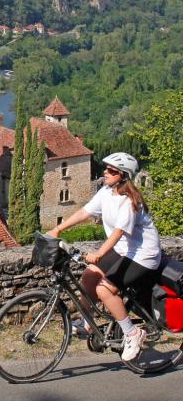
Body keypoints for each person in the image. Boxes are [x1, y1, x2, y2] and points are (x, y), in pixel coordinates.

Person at [47, 152, 161, 362]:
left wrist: (99, 254)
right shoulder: (106, 192)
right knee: (89, 277)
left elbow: (118, 233)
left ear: (124, 176)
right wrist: (58, 229)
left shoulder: (129, 202)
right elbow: (86, 212)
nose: (105, 172)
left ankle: (132, 333)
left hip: (143, 255)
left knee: (104, 288)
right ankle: (87, 322)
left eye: (112, 171)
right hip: (124, 250)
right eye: (106, 168)